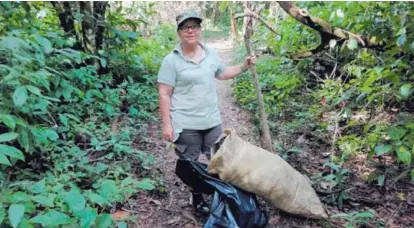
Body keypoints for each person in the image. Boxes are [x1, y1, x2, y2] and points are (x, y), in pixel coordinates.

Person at [157, 10, 257, 214]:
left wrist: (243, 66)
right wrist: (167, 124)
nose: (190, 30)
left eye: (194, 26)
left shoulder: (210, 54)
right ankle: (197, 197)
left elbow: (222, 73)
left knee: (217, 159)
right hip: (185, 123)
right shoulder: (171, 61)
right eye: (185, 27)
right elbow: (164, 93)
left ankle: (221, 193)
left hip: (211, 120)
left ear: (200, 30)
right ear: (179, 33)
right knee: (191, 164)